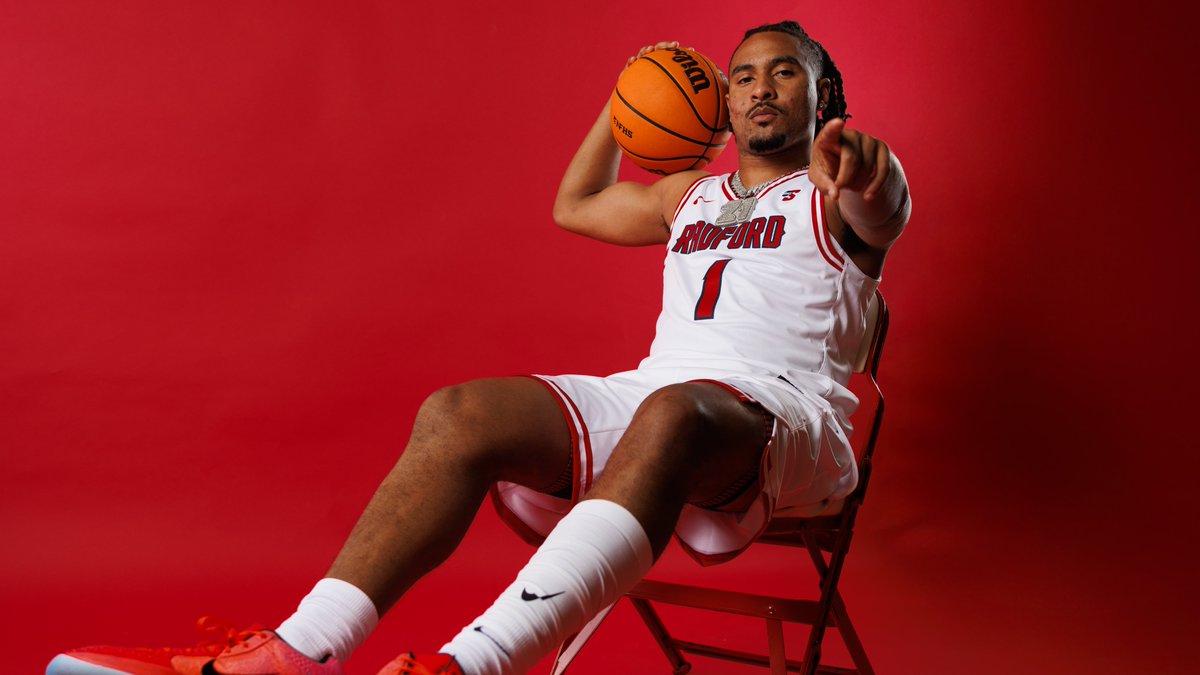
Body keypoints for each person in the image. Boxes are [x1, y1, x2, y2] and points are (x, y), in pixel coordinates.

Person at [47, 19, 910, 675]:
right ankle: (297, 652)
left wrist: (869, 169)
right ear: (722, 105)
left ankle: (468, 665)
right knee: (459, 412)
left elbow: (885, 206)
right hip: (659, 396)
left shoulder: (834, 189)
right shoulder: (685, 195)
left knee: (673, 411)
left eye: (786, 73)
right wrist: (629, 101)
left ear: (823, 98)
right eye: (743, 76)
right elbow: (575, 203)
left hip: (787, 418)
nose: (761, 88)